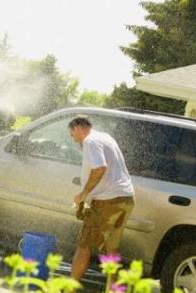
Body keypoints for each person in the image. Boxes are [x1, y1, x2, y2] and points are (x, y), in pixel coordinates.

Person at [68, 116, 135, 282]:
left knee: (84, 247)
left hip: (108, 201)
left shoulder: (90, 141)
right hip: (125, 198)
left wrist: (83, 195)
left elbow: (100, 168)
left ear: (78, 127)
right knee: (112, 248)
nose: (73, 139)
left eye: (72, 134)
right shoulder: (105, 137)